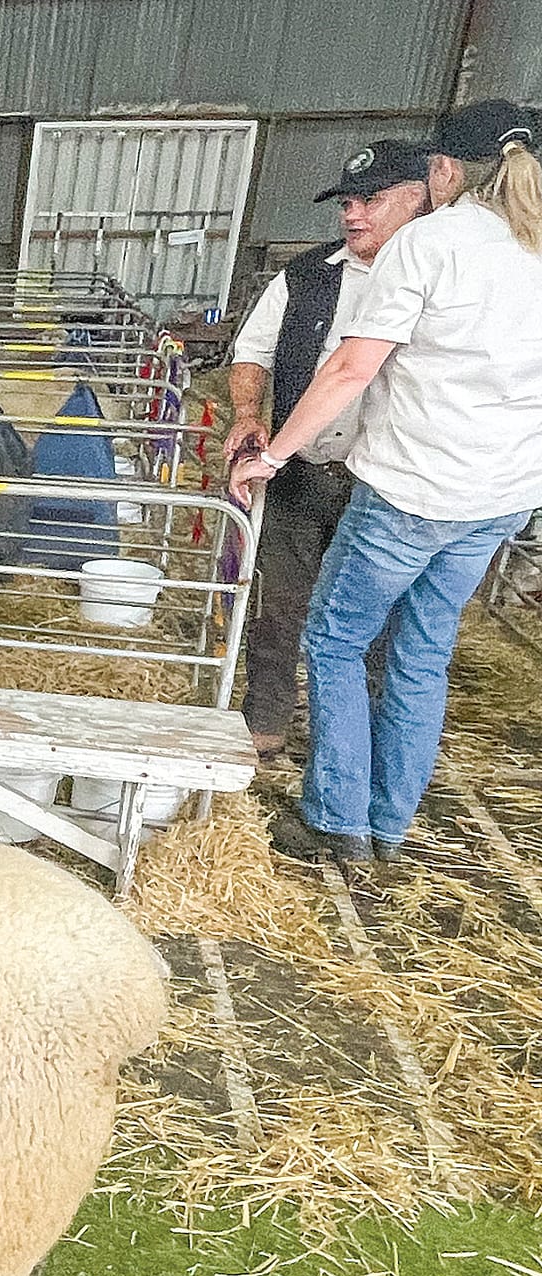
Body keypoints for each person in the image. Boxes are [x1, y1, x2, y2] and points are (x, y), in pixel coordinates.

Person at [230, 100, 542, 866]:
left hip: (412, 489)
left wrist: (271, 456)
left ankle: (338, 819)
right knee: (423, 653)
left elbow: (350, 367)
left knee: (335, 642)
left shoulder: (433, 243)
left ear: (441, 171)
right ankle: (389, 821)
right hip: (498, 497)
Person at [223, 140, 431, 756]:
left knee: (378, 617)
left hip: (387, 483)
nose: (353, 213)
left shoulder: (440, 277)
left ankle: (355, 741)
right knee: (277, 600)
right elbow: (253, 351)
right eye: (348, 200)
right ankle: (265, 724)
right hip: (299, 469)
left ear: (419, 197)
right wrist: (247, 413)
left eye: (372, 199)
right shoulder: (308, 275)